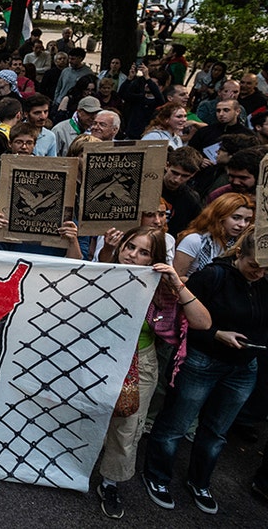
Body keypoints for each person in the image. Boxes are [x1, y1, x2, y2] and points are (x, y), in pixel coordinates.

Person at [142, 229, 265, 515]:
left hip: (243, 367)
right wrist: (216, 335)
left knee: (216, 431)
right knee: (176, 423)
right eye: (253, 266)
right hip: (202, 361)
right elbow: (183, 323)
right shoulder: (213, 276)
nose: (258, 273)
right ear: (239, 255)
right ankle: (157, 476)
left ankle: (200, 481)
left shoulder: (264, 283)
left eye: (265, 268)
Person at [95, 227, 210, 519]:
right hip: (95, 357)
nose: (133, 255)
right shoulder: (103, 274)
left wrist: (176, 283)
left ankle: (110, 483)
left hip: (139, 363)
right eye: (129, 246)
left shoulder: (162, 288)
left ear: (154, 259)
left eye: (143, 251)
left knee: (128, 425)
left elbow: (203, 322)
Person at [174, 192, 254, 278]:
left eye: (247, 220)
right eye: (236, 218)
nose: (242, 224)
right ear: (219, 216)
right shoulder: (195, 240)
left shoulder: (242, 244)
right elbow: (175, 278)